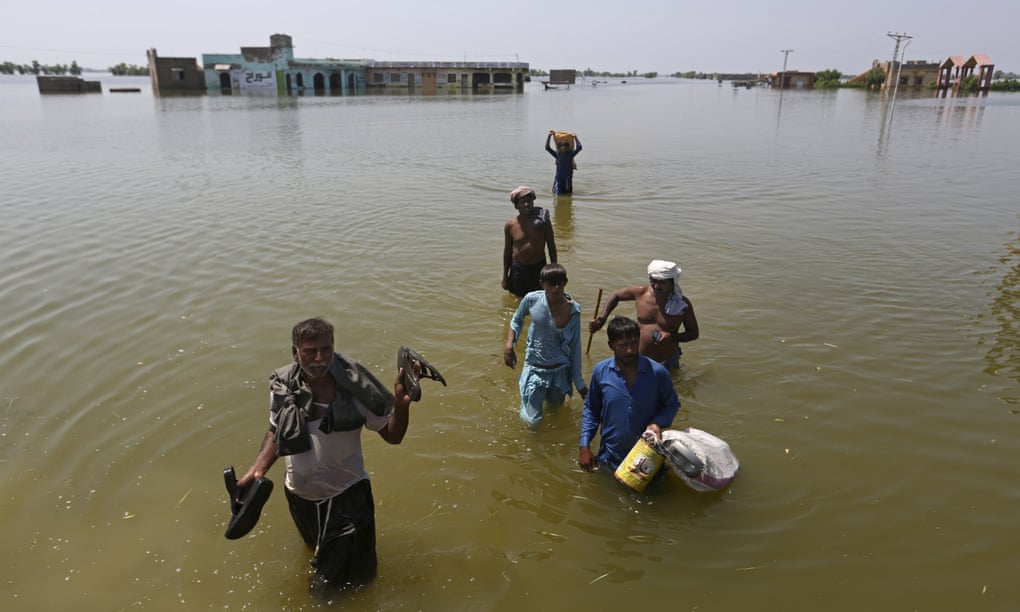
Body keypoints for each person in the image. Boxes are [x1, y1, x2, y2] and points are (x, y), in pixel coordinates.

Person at [234, 317, 414, 591]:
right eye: (310, 351)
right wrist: (256, 471)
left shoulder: (356, 390)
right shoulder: (284, 386)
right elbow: (275, 432)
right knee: (317, 552)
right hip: (299, 495)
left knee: (339, 586)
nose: (319, 358)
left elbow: (393, 436)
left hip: (346, 496)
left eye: (326, 350)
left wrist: (401, 406)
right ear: (296, 353)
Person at [579, 316, 680, 472]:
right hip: (609, 457)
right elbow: (591, 409)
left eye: (634, 343)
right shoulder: (601, 372)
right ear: (611, 345)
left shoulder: (657, 373)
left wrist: (657, 423)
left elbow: (672, 404)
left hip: (648, 457)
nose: (630, 350)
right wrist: (584, 446)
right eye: (623, 345)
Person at [503, 263, 588, 426]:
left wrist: (579, 383)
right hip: (535, 369)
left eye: (559, 284)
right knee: (531, 422)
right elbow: (517, 320)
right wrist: (509, 345)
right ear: (542, 284)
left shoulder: (574, 310)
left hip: (560, 372)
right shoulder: (531, 300)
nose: (556, 288)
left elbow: (575, 347)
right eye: (551, 284)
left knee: (555, 415)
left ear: (565, 282)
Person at [588, 260, 699, 370]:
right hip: (640, 359)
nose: (656, 286)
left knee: (671, 386)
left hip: (668, 361)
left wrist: (672, 337)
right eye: (653, 281)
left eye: (662, 282)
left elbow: (694, 334)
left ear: (672, 282)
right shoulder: (641, 293)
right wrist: (602, 319)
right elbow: (616, 295)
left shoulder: (682, 305)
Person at [502, 185, 557, 298]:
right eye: (523, 202)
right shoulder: (511, 225)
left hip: (539, 268)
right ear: (517, 205)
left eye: (529, 201)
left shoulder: (543, 222)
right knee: (517, 300)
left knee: (540, 299)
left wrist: (554, 269)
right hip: (518, 269)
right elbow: (507, 251)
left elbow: (551, 245)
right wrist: (505, 277)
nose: (527, 204)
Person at [545, 130, 582, 195]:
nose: (564, 148)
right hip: (558, 179)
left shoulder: (570, 155)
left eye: (565, 146)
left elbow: (579, 147)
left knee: (568, 194)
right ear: (559, 147)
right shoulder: (557, 155)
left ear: (568, 148)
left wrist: (576, 137)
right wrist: (549, 136)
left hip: (568, 178)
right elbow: (547, 148)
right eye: (562, 146)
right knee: (557, 194)